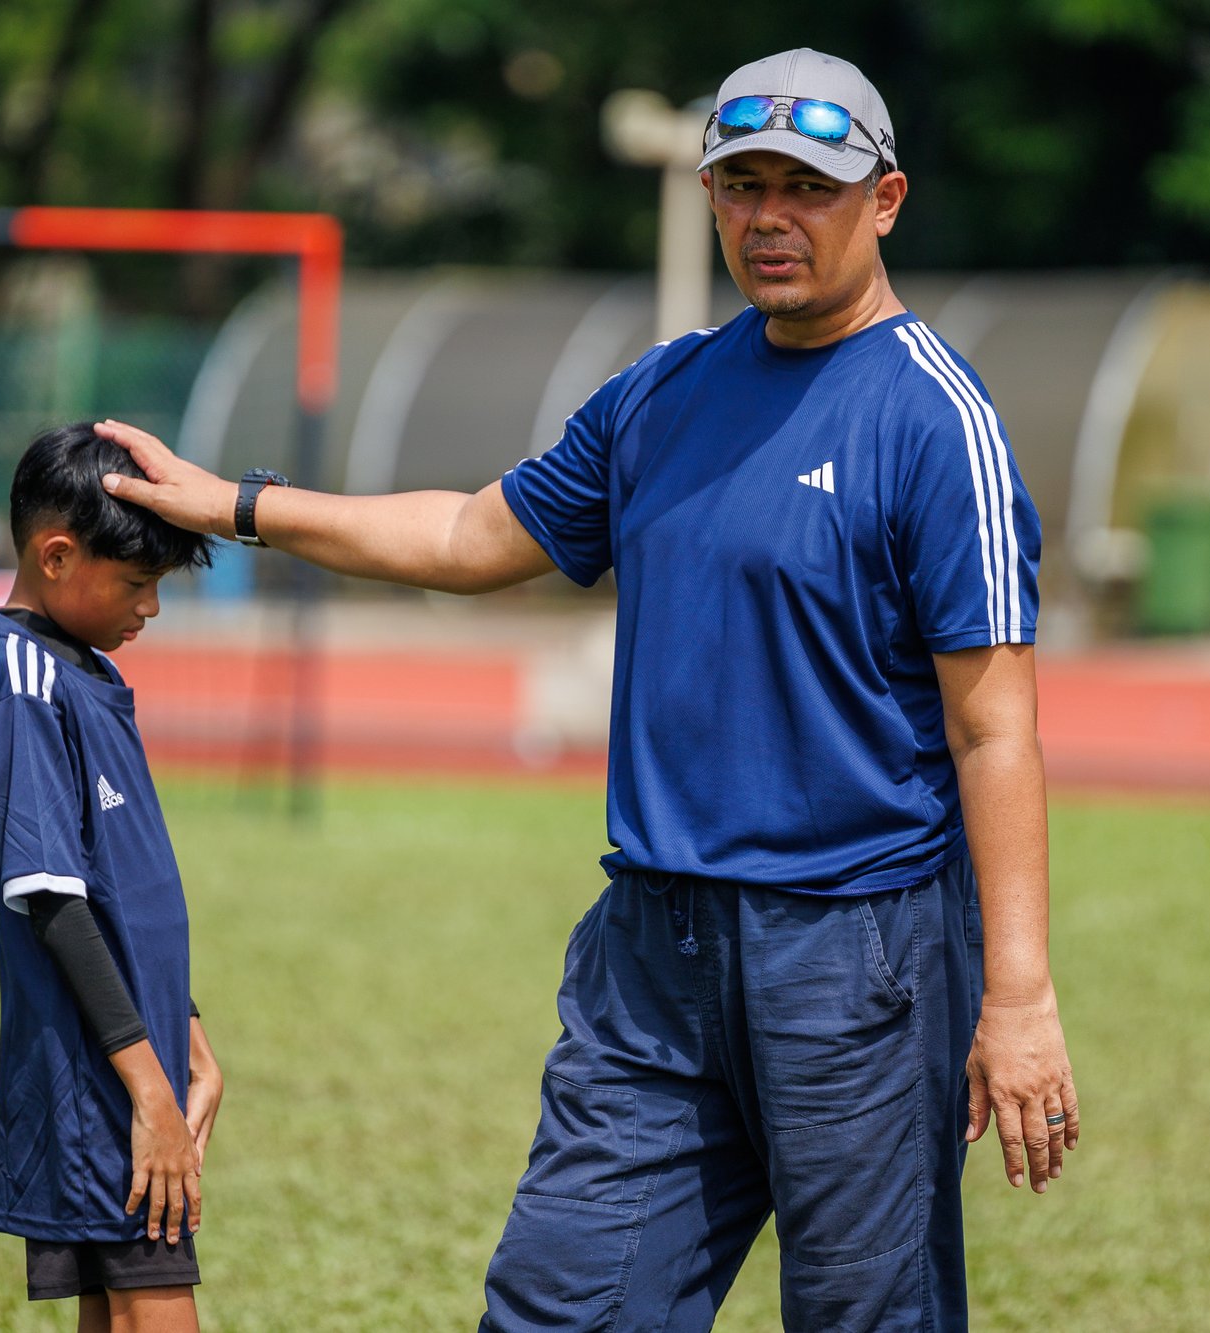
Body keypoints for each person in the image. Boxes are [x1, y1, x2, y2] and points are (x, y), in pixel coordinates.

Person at [98, 46, 1078, 1332]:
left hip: (858, 960)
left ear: (882, 201)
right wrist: (237, 503)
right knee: (560, 1308)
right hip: (653, 958)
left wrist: (1017, 998)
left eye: (806, 188)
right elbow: (465, 535)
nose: (768, 218)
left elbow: (992, 724)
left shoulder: (932, 418)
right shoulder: (660, 395)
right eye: (742, 186)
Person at [0, 423, 226, 1333]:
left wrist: (183, 1030)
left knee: (120, 1310)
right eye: (138, 582)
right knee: (157, 1304)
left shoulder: (84, 669)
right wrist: (148, 1088)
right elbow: (55, 901)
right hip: (99, 1074)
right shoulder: (24, 678)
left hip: (132, 1056)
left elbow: (123, 888)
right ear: (59, 555)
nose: (151, 606)